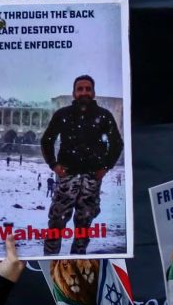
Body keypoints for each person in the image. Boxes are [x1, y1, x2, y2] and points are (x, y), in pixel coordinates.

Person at [40, 74, 122, 255]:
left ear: (93, 92)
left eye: (88, 89)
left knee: (84, 223)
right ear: (74, 93)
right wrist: (54, 165)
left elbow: (117, 143)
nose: (84, 92)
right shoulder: (63, 115)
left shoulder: (104, 116)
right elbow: (47, 140)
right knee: (57, 221)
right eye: (80, 89)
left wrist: (106, 167)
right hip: (67, 176)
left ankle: (78, 258)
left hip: (92, 178)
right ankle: (50, 257)